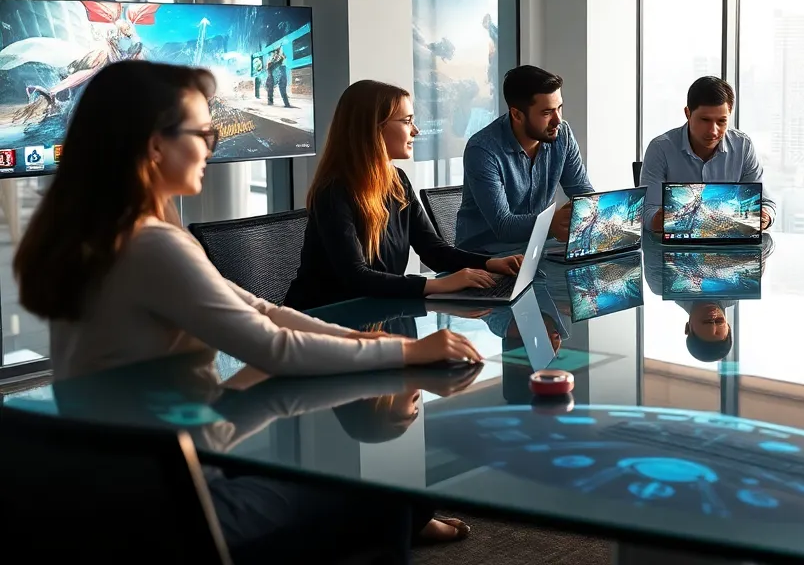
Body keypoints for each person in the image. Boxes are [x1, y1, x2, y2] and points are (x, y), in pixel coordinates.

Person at [13, 60, 482, 559]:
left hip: (125, 485)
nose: (213, 145)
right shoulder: (150, 247)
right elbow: (273, 347)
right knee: (381, 493)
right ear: (155, 146)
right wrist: (406, 353)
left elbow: (262, 309)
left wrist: (365, 341)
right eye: (203, 131)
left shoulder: (105, 237)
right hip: (173, 506)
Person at [285, 80, 520, 310]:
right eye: (407, 121)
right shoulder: (334, 191)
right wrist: (439, 284)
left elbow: (432, 250)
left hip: (377, 313)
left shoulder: (397, 180)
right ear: (374, 127)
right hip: (323, 322)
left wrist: (491, 264)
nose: (415, 131)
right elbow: (356, 277)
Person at [456, 65, 595, 253]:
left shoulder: (562, 135)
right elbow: (503, 226)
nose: (558, 121)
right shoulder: (482, 150)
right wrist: (552, 224)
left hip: (537, 250)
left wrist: (586, 213)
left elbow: (583, 193)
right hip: (486, 257)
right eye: (547, 113)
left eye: (559, 108)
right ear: (517, 115)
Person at [639, 76, 776, 232]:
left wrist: (765, 217)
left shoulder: (743, 146)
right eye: (705, 120)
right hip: (675, 247)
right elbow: (647, 212)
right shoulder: (660, 148)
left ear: (730, 113)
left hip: (732, 248)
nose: (713, 131)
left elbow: (766, 203)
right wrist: (666, 218)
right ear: (687, 113)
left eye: (722, 121)